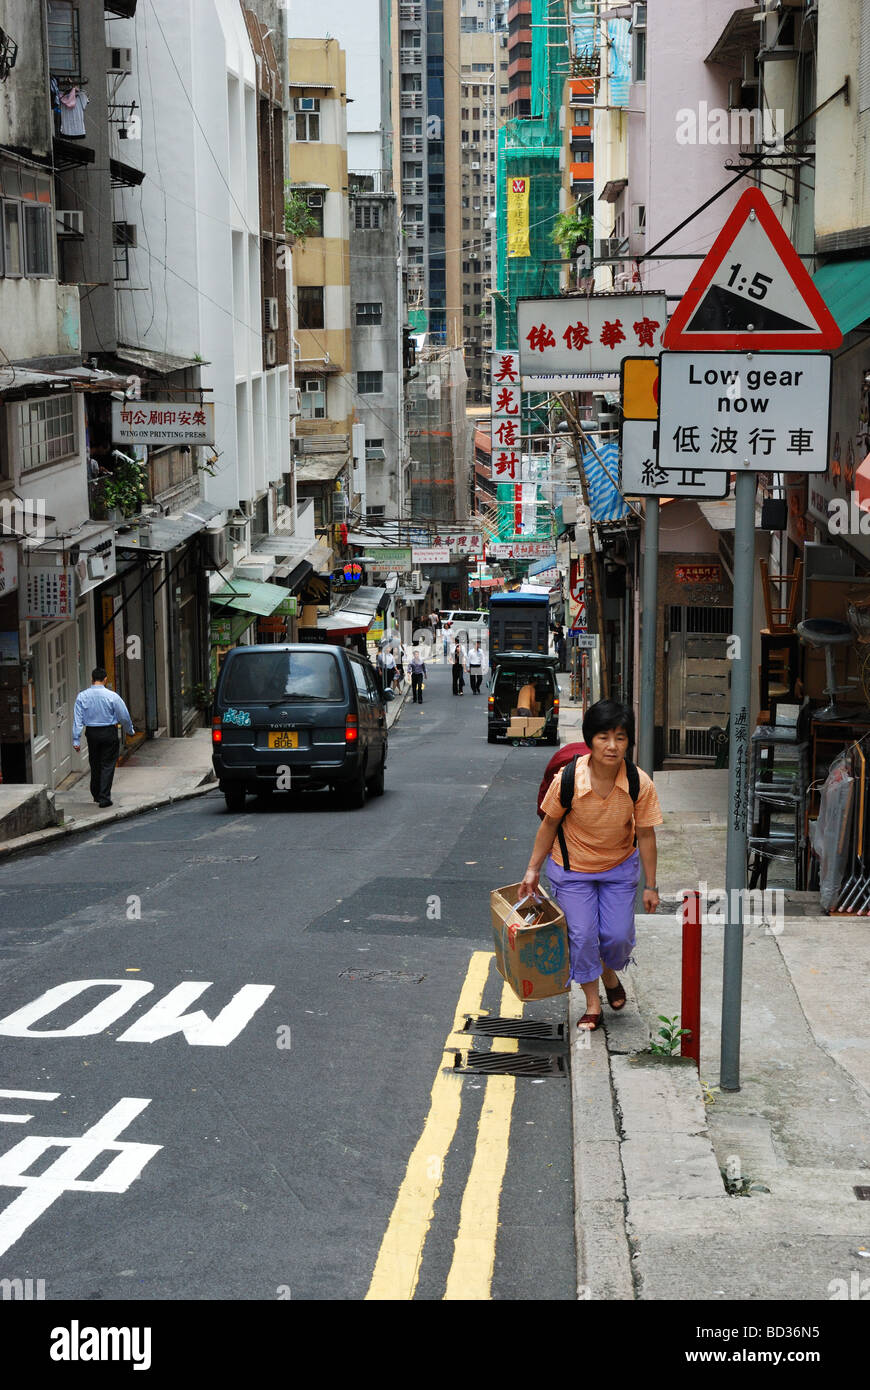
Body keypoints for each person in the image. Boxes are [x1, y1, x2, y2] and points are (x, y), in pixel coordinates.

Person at [519, 699, 662, 1032]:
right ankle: (593, 1004)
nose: (612, 746)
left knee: (617, 937)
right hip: (572, 871)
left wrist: (652, 886)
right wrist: (532, 869)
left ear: (629, 742)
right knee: (583, 937)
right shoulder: (568, 779)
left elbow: (647, 836)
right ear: (590, 740)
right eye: (603, 737)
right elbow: (549, 825)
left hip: (619, 869)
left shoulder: (639, 784)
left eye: (621, 738)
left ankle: (609, 971)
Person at [72, 667, 135, 808]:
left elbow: (78, 719)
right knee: (107, 765)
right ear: (105, 679)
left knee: (95, 763)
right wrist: (129, 730)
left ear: (92, 679)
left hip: (92, 733)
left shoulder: (82, 696)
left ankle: (96, 793)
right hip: (108, 732)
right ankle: (104, 797)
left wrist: (76, 739)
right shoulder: (112, 696)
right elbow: (123, 716)